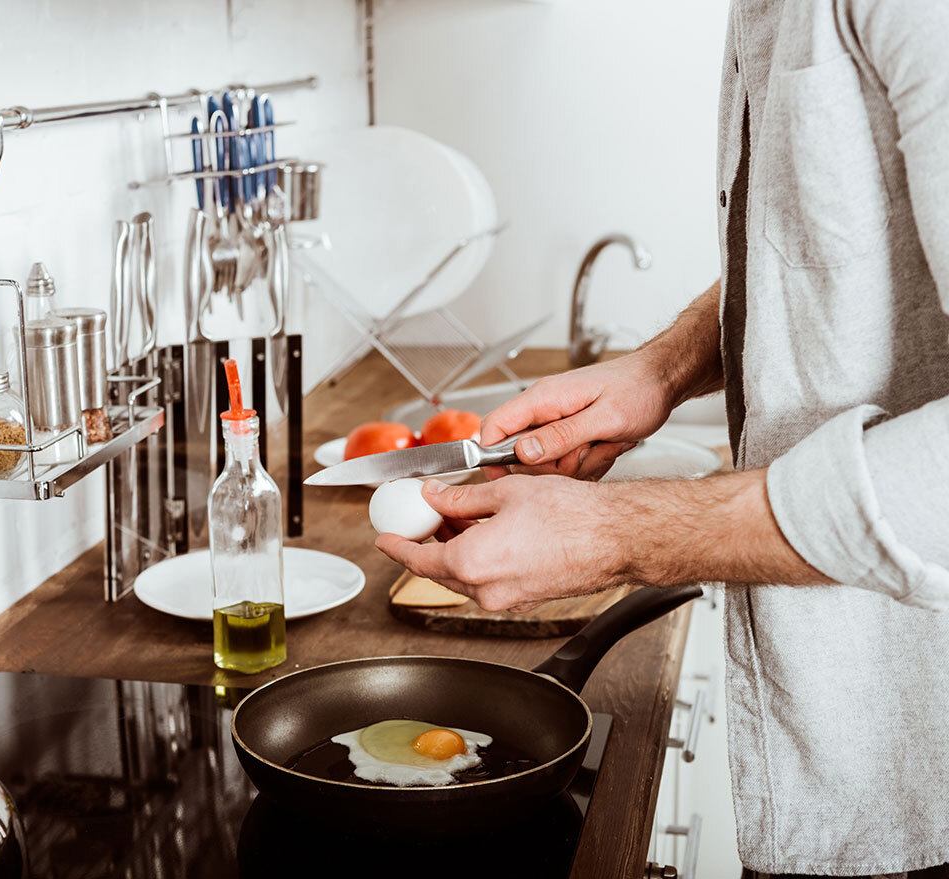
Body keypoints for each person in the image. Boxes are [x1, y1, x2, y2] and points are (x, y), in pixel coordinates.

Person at [376, 1, 949, 876]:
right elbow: (830, 246)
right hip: (833, 750)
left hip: (920, 761)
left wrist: (617, 533)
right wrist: (665, 368)